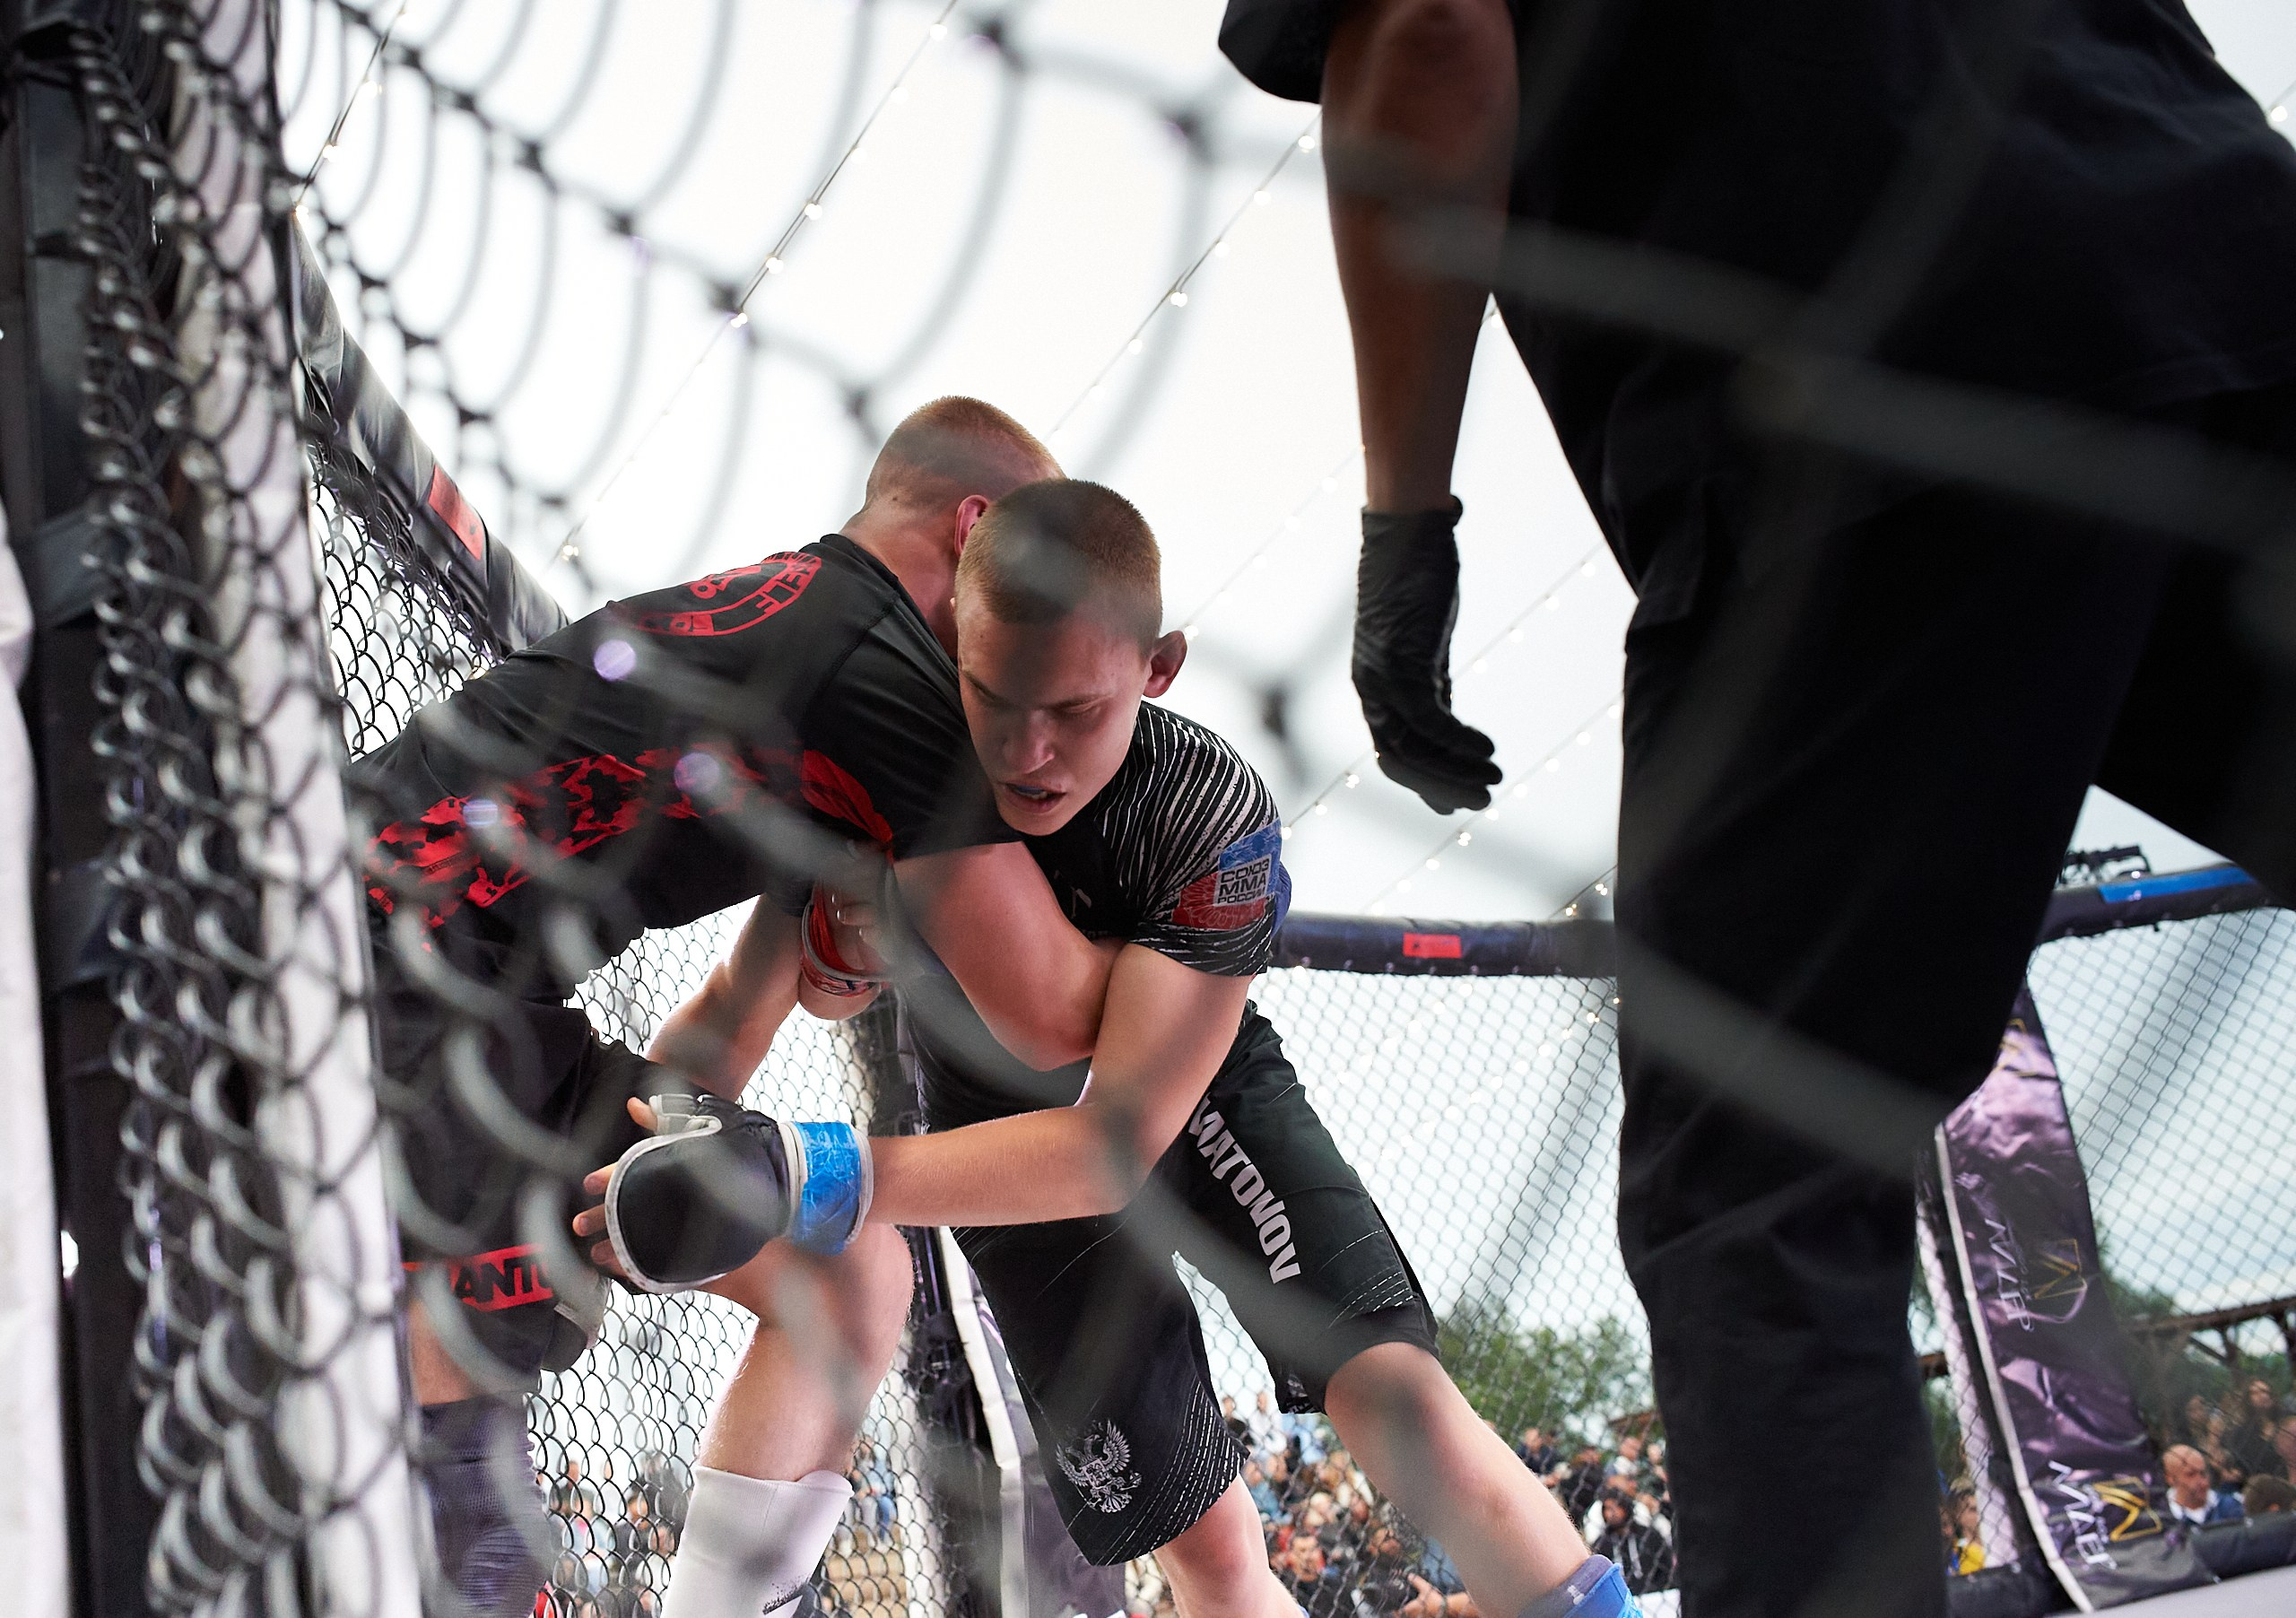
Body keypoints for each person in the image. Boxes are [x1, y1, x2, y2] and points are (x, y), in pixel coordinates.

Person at [1214, 0, 2296, 1613]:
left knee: (1755, 1187)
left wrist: (1407, 531)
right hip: (2217, 246)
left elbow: (1427, 27)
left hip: (1857, 358)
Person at [584, 481, 1639, 1618]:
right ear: (953, 652)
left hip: (1191, 1088)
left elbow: (1112, 1142)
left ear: (1158, 668)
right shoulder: (894, 770)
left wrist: (810, 1170)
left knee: (1395, 1397)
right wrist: (636, 1160)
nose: (1027, 750)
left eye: (1074, 710)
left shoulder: (1203, 808)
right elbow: (736, 1006)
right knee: (1209, 1547)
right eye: (993, 697)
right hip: (998, 1147)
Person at [356, 397, 1118, 1612]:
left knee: (848, 1269)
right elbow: (1055, 1018)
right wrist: (1162, 888)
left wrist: (662, 1190)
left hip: (490, 995)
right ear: (975, 530)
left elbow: (735, 1017)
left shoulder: (829, 674)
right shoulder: (884, 669)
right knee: (461, 1442)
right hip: (381, 954)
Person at [1587, 1492, 1671, 1596]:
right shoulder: (1602, 1544)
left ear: (1626, 1507)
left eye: (1616, 1507)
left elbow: (1667, 1566)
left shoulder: (1648, 1535)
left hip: (1655, 1595)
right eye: (1608, 1509)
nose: (1612, 1513)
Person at [2222, 1379, 2292, 1484]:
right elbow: (2240, 1465)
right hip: (2262, 1484)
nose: (2261, 1396)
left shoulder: (2288, 1419)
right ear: (2248, 1400)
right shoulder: (2242, 1433)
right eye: (2255, 1393)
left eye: (2264, 1391)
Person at [2161, 1445, 2243, 1527]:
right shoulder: (2163, 1519)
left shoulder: (2233, 1506)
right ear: (2170, 1479)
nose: (2203, 1482)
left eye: (2203, 1473)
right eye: (2190, 1474)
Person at [1940, 1490, 1984, 1576]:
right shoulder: (1959, 1549)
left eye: (1981, 1508)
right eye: (1973, 1510)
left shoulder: (1962, 1543)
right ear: (1958, 1515)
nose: (1980, 1514)